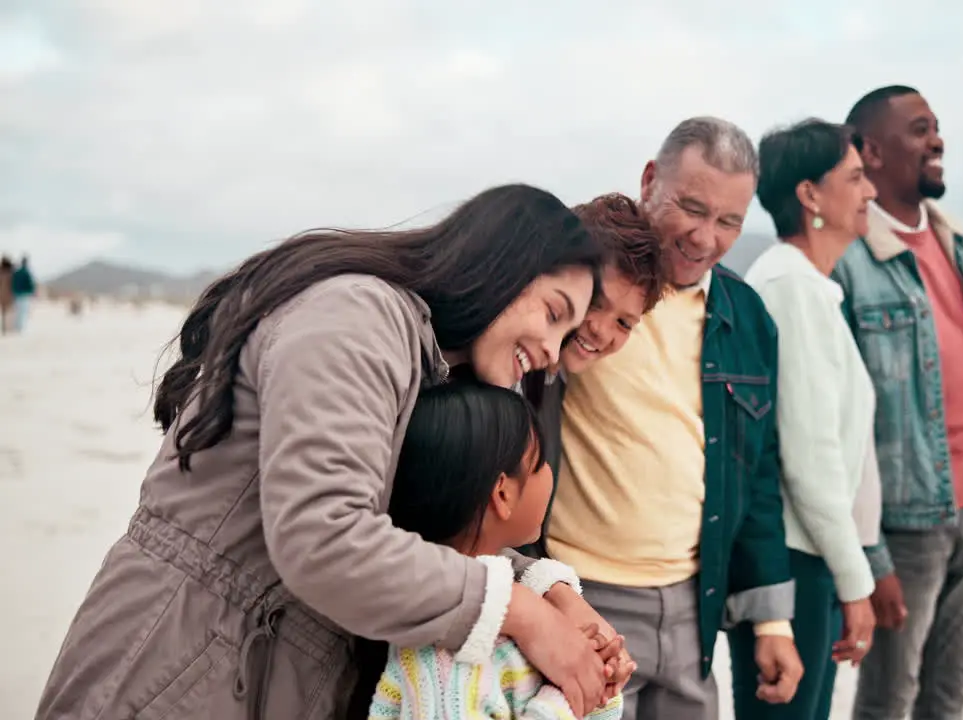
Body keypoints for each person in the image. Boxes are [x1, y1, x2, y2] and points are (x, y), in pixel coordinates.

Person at [37, 184, 632, 720]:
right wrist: (521, 614)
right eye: (554, 314)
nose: (554, 352)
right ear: (500, 267)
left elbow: (422, 535)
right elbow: (325, 538)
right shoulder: (357, 317)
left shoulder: (432, 366)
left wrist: (551, 595)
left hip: (277, 673)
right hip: (180, 664)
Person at [540, 117, 803, 720]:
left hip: (693, 604)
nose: (705, 238)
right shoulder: (583, 292)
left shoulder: (748, 317)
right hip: (582, 595)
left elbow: (758, 470)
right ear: (650, 181)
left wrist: (772, 621)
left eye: (729, 221)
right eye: (692, 207)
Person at [837, 86, 963, 719]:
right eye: (920, 129)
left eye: (938, 127)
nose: (938, 141)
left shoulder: (959, 244)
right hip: (901, 524)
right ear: (870, 152)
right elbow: (839, 425)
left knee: (951, 691)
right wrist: (872, 556)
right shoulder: (848, 261)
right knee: (888, 701)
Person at [362, 379, 623, 719]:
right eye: (540, 463)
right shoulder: (439, 660)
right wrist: (566, 698)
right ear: (502, 494)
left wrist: (598, 683)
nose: (550, 474)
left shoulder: (521, 616)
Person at [735, 119, 882, 719]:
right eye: (854, 177)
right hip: (795, 564)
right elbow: (810, 456)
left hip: (811, 557)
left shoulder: (811, 287)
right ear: (809, 195)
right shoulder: (788, 287)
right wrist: (857, 581)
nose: (870, 191)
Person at [521, 192, 667, 492]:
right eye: (595, 302)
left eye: (624, 323)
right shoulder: (509, 368)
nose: (601, 330)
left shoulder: (555, 382)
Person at [10, 254, 35, 333]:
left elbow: (12, 283)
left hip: (17, 294)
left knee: (18, 311)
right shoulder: (26, 272)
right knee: (24, 311)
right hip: (24, 294)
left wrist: (14, 291)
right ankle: (21, 328)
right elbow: (30, 284)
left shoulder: (17, 272)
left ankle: (17, 327)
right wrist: (31, 292)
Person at [0, 255, 14, 334]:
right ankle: (6, 328)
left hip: (1, 294)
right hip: (9, 294)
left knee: (3, 311)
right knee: (7, 312)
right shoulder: (11, 273)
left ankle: (4, 327)